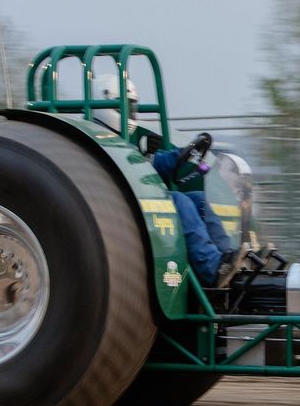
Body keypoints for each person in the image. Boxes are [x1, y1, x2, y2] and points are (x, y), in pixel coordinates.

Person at [94, 75, 236, 285]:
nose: (132, 114)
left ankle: (229, 259)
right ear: (109, 106)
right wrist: (155, 157)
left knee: (199, 199)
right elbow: (133, 168)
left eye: (133, 108)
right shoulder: (99, 140)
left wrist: (179, 154)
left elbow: (145, 164)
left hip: (136, 199)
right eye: (127, 107)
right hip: (119, 209)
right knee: (180, 201)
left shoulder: (120, 139)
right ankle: (212, 268)